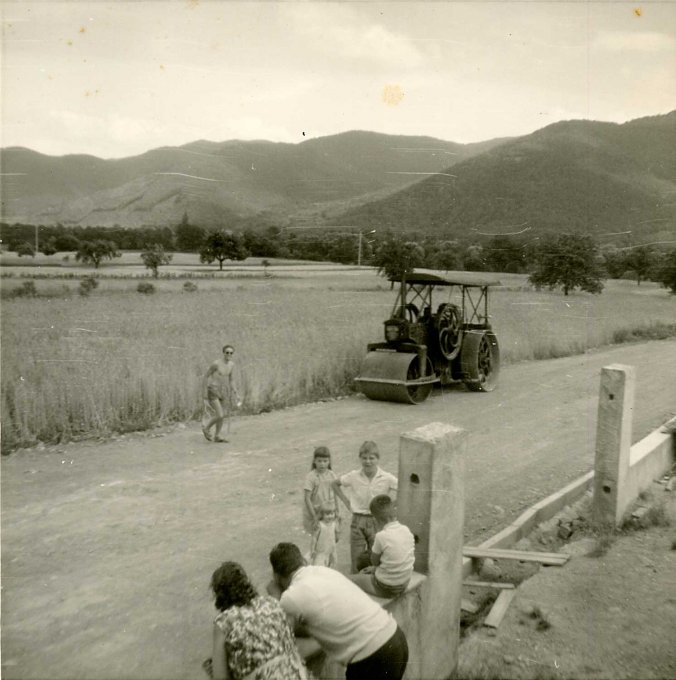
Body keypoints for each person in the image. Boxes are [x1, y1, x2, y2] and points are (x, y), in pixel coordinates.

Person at [269, 542, 408, 680]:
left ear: (276, 576)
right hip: (395, 637)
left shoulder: (290, 597)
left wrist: (274, 597)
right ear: (302, 561)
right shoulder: (323, 571)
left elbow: (274, 632)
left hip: (372, 657)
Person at [204, 561, 307, 680]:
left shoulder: (224, 621)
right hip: (297, 674)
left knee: (212, 665)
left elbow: (220, 677)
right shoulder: (271, 603)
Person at [332, 441, 398, 573]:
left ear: (378, 459)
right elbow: (334, 484)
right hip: (358, 520)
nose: (368, 462)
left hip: (377, 521)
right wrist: (346, 501)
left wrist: (389, 507)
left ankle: (373, 586)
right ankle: (355, 586)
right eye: (364, 458)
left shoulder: (386, 477)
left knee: (376, 559)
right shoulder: (353, 476)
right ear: (360, 458)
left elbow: (403, 489)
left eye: (371, 458)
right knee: (356, 560)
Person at [350, 494, 415, 599]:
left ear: (375, 520)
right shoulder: (406, 530)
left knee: (349, 580)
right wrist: (375, 569)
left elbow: (374, 562)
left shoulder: (381, 536)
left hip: (388, 588)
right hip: (405, 583)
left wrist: (374, 568)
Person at [202, 344, 241, 443]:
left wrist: (235, 392)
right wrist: (204, 394)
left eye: (231, 353)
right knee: (220, 415)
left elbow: (231, 379)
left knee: (222, 415)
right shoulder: (216, 364)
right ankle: (206, 428)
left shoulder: (232, 365)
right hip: (213, 390)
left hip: (223, 391)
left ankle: (217, 436)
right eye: (227, 352)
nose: (229, 354)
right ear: (223, 353)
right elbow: (206, 376)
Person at [302, 446, 340, 536]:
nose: (322, 464)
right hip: (316, 512)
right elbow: (307, 498)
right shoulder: (311, 477)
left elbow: (336, 494)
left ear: (329, 461)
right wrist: (314, 516)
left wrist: (337, 510)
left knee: (330, 535)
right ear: (314, 461)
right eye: (319, 461)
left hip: (329, 511)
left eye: (325, 461)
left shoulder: (332, 475)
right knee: (317, 536)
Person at [308, 502, 339, 568]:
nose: (330, 516)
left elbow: (335, 535)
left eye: (332, 513)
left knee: (331, 567)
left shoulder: (334, 524)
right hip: (321, 551)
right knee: (319, 567)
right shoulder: (320, 525)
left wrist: (336, 539)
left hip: (331, 550)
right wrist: (312, 549)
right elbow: (314, 538)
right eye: (327, 514)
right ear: (322, 514)